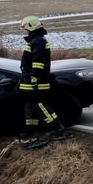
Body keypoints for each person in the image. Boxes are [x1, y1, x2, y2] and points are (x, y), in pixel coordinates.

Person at [19, 16, 65, 146]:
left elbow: (38, 63)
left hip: (36, 82)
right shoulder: (36, 40)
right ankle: (31, 130)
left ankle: (57, 127)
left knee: (39, 105)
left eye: (26, 29)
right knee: (29, 105)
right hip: (31, 82)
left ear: (31, 27)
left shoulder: (38, 41)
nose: (25, 31)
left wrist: (34, 79)